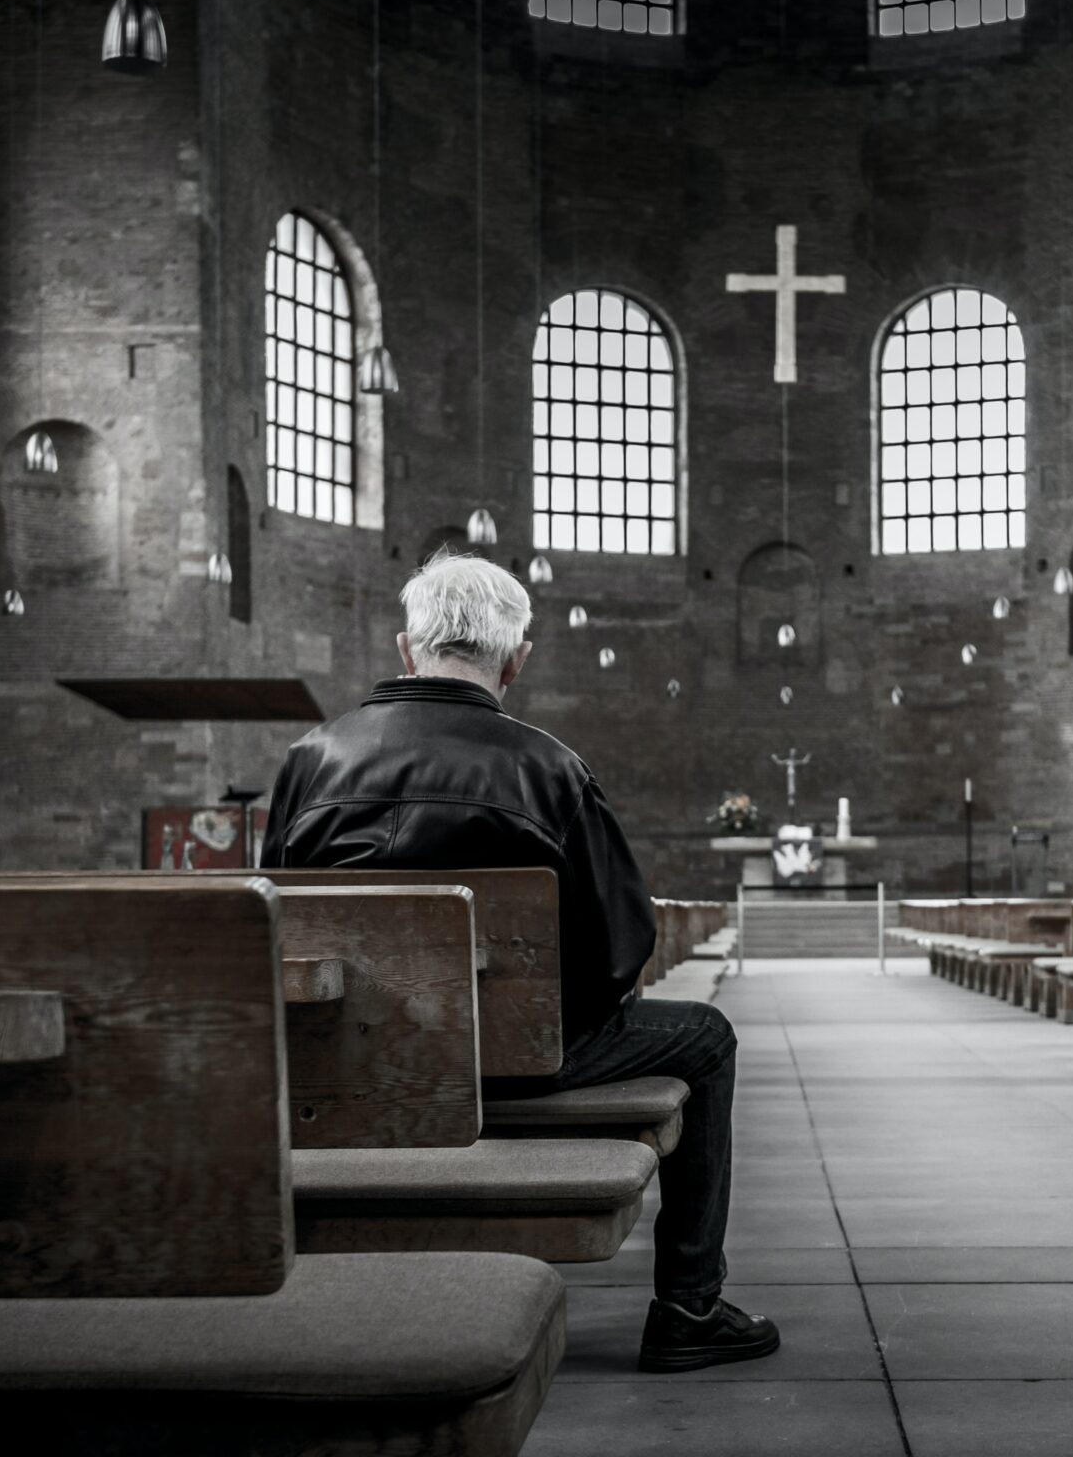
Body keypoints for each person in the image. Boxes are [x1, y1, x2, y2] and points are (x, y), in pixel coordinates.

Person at [259, 552, 780, 1373]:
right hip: (527, 1064)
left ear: (405, 647)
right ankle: (689, 1304)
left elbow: (279, 929)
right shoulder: (551, 767)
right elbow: (624, 947)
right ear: (517, 658)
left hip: (358, 1066)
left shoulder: (309, 761)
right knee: (707, 1035)